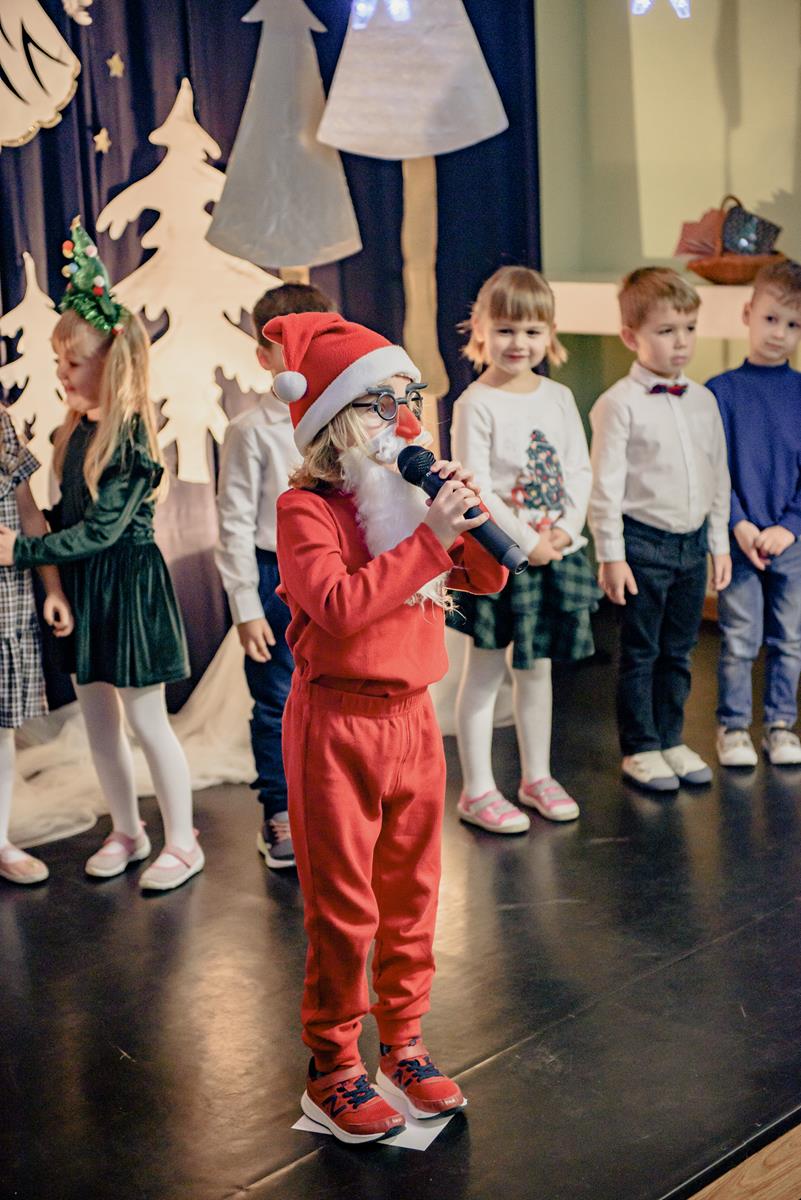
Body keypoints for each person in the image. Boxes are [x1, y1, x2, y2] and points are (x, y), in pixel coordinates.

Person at [267, 311, 507, 1144]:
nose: (404, 420)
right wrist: (430, 540)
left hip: (413, 724)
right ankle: (333, 1067)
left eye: (411, 399)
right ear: (335, 419)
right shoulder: (305, 508)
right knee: (345, 910)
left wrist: (466, 519)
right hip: (337, 726)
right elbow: (337, 608)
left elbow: (484, 579)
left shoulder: (410, 503)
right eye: (381, 403)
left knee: (412, 898)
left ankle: (403, 1045)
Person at [0, 219, 202, 892]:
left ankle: (183, 841)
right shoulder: (73, 432)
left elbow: (102, 531)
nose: (60, 374)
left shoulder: (132, 436)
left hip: (129, 588)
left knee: (147, 720)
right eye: (58, 362)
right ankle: (128, 829)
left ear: (111, 363)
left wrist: (22, 549)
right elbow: (67, 517)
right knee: (99, 723)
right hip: (88, 591)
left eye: (72, 363)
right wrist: (56, 586)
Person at [449, 265, 598, 834]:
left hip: (552, 552)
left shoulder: (558, 397)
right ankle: (477, 790)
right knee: (485, 672)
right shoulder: (476, 403)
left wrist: (563, 532)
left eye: (532, 331)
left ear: (549, 334)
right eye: (506, 330)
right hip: (497, 558)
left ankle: (537, 776)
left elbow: (578, 469)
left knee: (537, 670)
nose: (519, 343)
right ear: (481, 330)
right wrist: (526, 542)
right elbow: (478, 486)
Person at [589, 267, 731, 792]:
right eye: (667, 331)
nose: (682, 342)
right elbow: (605, 486)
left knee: (680, 650)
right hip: (642, 545)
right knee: (641, 651)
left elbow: (718, 475)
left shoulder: (704, 400)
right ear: (631, 336)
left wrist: (718, 544)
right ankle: (640, 747)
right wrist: (611, 554)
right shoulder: (618, 404)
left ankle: (671, 738)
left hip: (692, 545)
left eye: (689, 328)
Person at [215, 282, 335, 870]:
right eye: (290, 346)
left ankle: (332, 804)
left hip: (334, 571)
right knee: (276, 699)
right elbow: (235, 521)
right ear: (264, 357)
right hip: (274, 575)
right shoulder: (250, 430)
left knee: (335, 693)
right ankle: (280, 809)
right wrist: (245, 605)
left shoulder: (344, 416)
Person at [706, 259, 801, 767]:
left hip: (791, 543)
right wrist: (738, 524)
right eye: (770, 319)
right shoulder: (720, 392)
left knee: (790, 639)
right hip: (738, 539)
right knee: (740, 639)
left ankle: (781, 725)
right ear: (748, 314)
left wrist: (789, 528)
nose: (779, 333)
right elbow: (715, 469)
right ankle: (734, 727)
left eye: (793, 324)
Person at [0, 410, 73, 884]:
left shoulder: (1, 425)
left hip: (7, 607)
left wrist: (53, 589)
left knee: (2, 733)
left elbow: (29, 515)